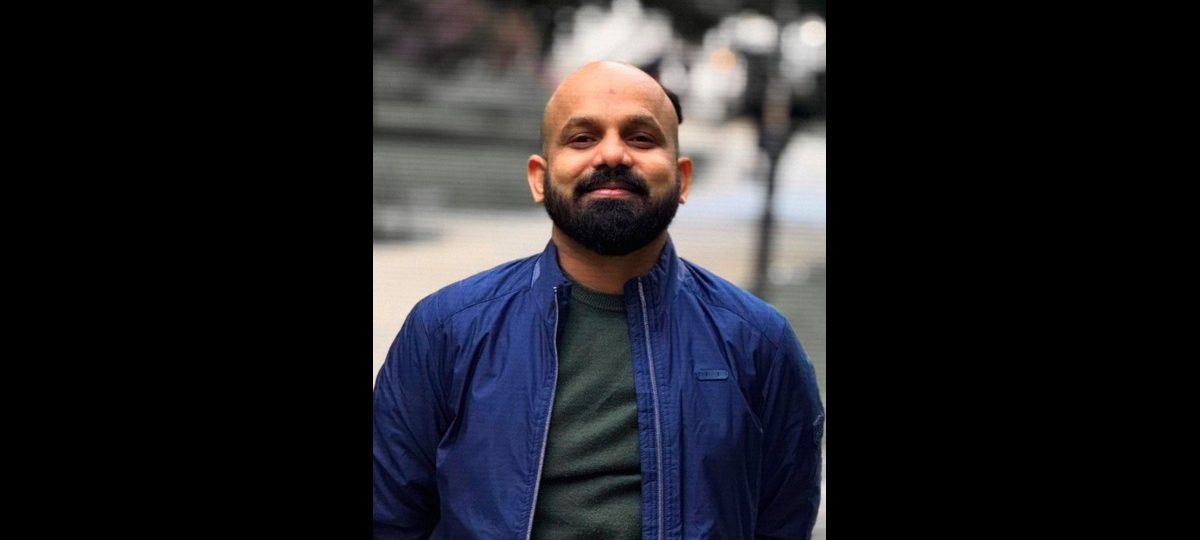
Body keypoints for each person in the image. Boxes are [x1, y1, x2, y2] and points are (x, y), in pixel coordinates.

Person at [373, 61, 824, 539]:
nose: (612, 154)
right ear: (539, 178)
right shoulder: (445, 331)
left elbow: (783, 522)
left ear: (682, 179)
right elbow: (389, 521)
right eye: (582, 138)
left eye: (641, 138)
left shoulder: (760, 345)